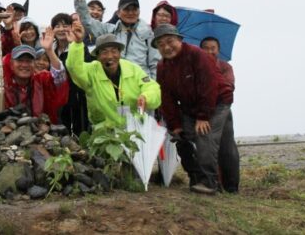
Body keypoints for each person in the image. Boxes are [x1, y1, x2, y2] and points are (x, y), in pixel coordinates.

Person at [153, 24, 235, 195]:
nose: (166, 47)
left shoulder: (198, 55)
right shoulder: (162, 66)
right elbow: (166, 98)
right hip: (191, 106)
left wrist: (203, 116)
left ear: (179, 40)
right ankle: (196, 177)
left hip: (217, 101)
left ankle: (210, 182)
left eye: (170, 41)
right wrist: (175, 125)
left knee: (204, 134)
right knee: (180, 137)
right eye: (161, 44)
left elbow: (209, 86)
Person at [65, 21, 161, 127]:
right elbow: (74, 67)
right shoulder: (91, 72)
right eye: (104, 52)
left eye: (114, 51)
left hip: (135, 128)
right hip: (104, 131)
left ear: (120, 53)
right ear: (97, 56)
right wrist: (77, 43)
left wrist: (146, 97)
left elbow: (152, 87)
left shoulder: (133, 69)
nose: (110, 56)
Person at [71, 0, 160, 79]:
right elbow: (87, 22)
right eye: (126, 9)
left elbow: (155, 64)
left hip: (142, 83)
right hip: (115, 83)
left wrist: (153, 86)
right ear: (118, 13)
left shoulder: (148, 33)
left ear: (139, 11)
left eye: (134, 9)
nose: (130, 13)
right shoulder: (109, 30)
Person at [0, 35, 68, 123]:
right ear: (11, 64)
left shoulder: (41, 81)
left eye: (28, 61)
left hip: (38, 131)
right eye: (20, 60)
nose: (24, 65)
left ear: (34, 64)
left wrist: (49, 51)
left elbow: (60, 78)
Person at [200, 36, 240, 193]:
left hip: (222, 109)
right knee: (207, 145)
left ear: (218, 50)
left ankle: (232, 187)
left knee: (227, 147)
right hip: (203, 111)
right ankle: (213, 182)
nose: (209, 51)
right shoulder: (196, 67)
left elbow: (229, 86)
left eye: (213, 48)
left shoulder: (225, 66)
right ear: (200, 50)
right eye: (206, 48)